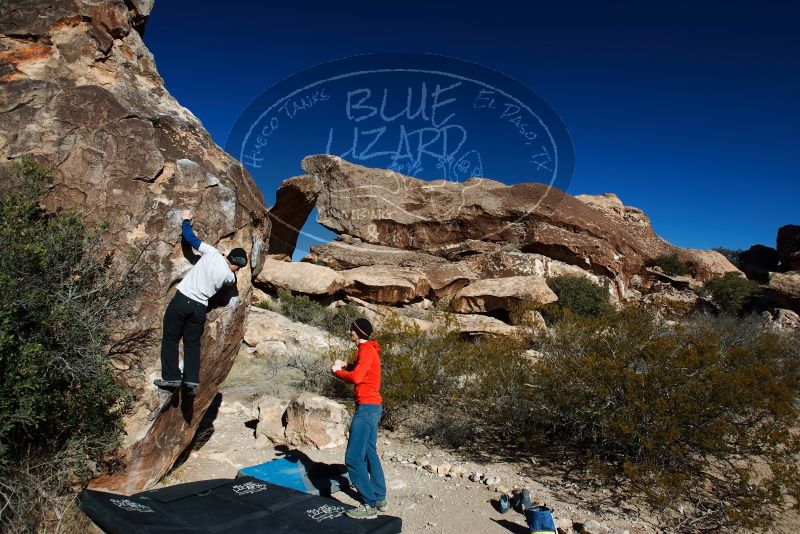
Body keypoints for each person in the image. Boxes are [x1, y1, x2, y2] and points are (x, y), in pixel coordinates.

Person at [154, 209, 247, 397]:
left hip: (183, 299)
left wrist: (186, 220)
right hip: (200, 308)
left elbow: (190, 239)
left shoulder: (212, 254)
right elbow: (233, 275)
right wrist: (230, 261)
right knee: (192, 343)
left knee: (171, 337)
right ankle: (191, 380)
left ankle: (171, 377)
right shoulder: (229, 277)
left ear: (227, 256)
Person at [332, 318, 387, 520]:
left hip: (366, 408)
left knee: (353, 458)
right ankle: (379, 496)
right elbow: (362, 368)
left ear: (358, 332)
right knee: (370, 452)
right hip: (374, 407)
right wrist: (347, 364)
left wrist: (337, 372)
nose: (349, 331)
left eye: (352, 329)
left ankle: (368, 504)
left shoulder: (365, 350)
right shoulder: (370, 350)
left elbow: (356, 378)